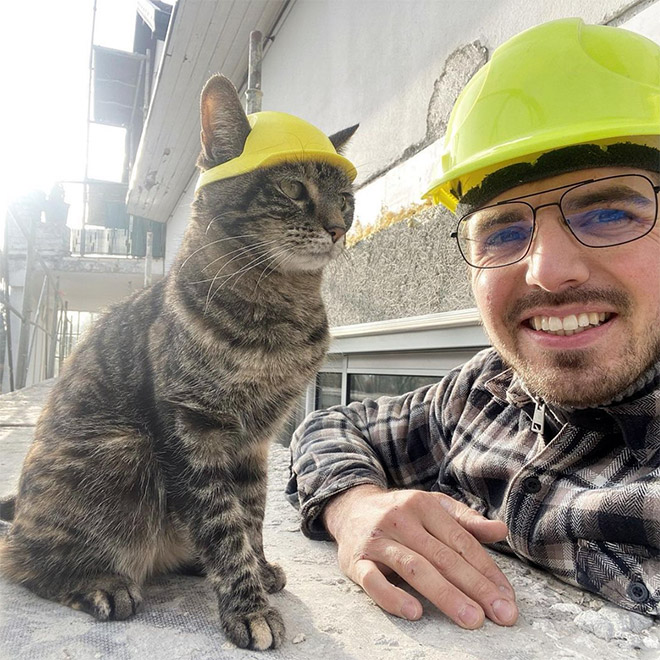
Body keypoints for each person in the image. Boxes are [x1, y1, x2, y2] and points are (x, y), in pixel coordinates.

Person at [286, 17, 660, 630]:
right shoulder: (483, 395)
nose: (547, 271)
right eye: (505, 230)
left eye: (611, 214)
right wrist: (353, 505)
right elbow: (334, 424)